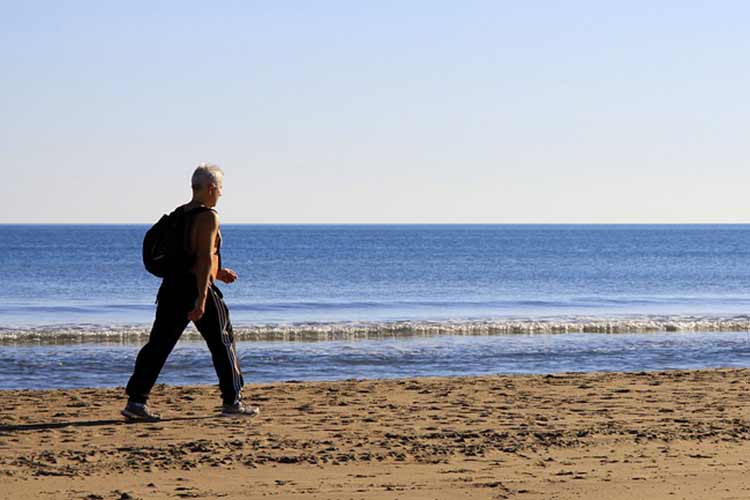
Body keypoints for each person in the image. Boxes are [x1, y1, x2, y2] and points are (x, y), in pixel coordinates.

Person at [122, 164, 258, 421]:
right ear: (210, 188)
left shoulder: (179, 215)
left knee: (158, 345)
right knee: (222, 342)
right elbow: (204, 257)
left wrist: (219, 272)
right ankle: (233, 401)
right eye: (219, 189)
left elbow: (188, 257)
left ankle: (136, 401)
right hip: (196, 288)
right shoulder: (209, 216)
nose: (220, 194)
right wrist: (202, 298)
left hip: (171, 288)